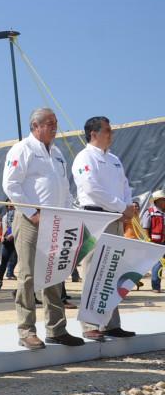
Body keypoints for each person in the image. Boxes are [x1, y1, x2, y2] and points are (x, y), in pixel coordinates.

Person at [2, 107, 84, 350]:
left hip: (57, 222)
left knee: (54, 275)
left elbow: (65, 189)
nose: (54, 126)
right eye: (50, 123)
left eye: (55, 122)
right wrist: (32, 213)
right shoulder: (22, 149)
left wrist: (69, 215)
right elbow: (10, 185)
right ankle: (26, 330)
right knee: (27, 276)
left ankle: (56, 329)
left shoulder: (58, 153)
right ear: (36, 126)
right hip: (31, 221)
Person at [73, 116, 138, 341]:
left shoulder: (114, 159)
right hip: (96, 217)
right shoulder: (84, 157)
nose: (111, 134)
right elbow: (92, 188)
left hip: (117, 218)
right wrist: (122, 207)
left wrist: (130, 206)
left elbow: (124, 186)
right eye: (108, 130)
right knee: (94, 271)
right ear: (94, 133)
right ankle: (90, 325)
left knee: (113, 272)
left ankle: (111, 324)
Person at [142, 190, 165, 293]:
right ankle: (156, 286)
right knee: (158, 264)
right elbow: (145, 228)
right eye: (163, 199)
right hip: (156, 242)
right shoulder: (150, 212)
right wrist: (148, 241)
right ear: (157, 201)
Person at [0, 202, 17, 290]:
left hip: (17, 240)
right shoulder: (5, 216)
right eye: (8, 206)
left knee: (18, 261)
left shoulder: (19, 214)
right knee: (4, 261)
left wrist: (13, 235)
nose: (10, 207)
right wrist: (3, 236)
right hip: (8, 241)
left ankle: (24, 287)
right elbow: (5, 228)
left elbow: (19, 226)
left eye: (11, 206)